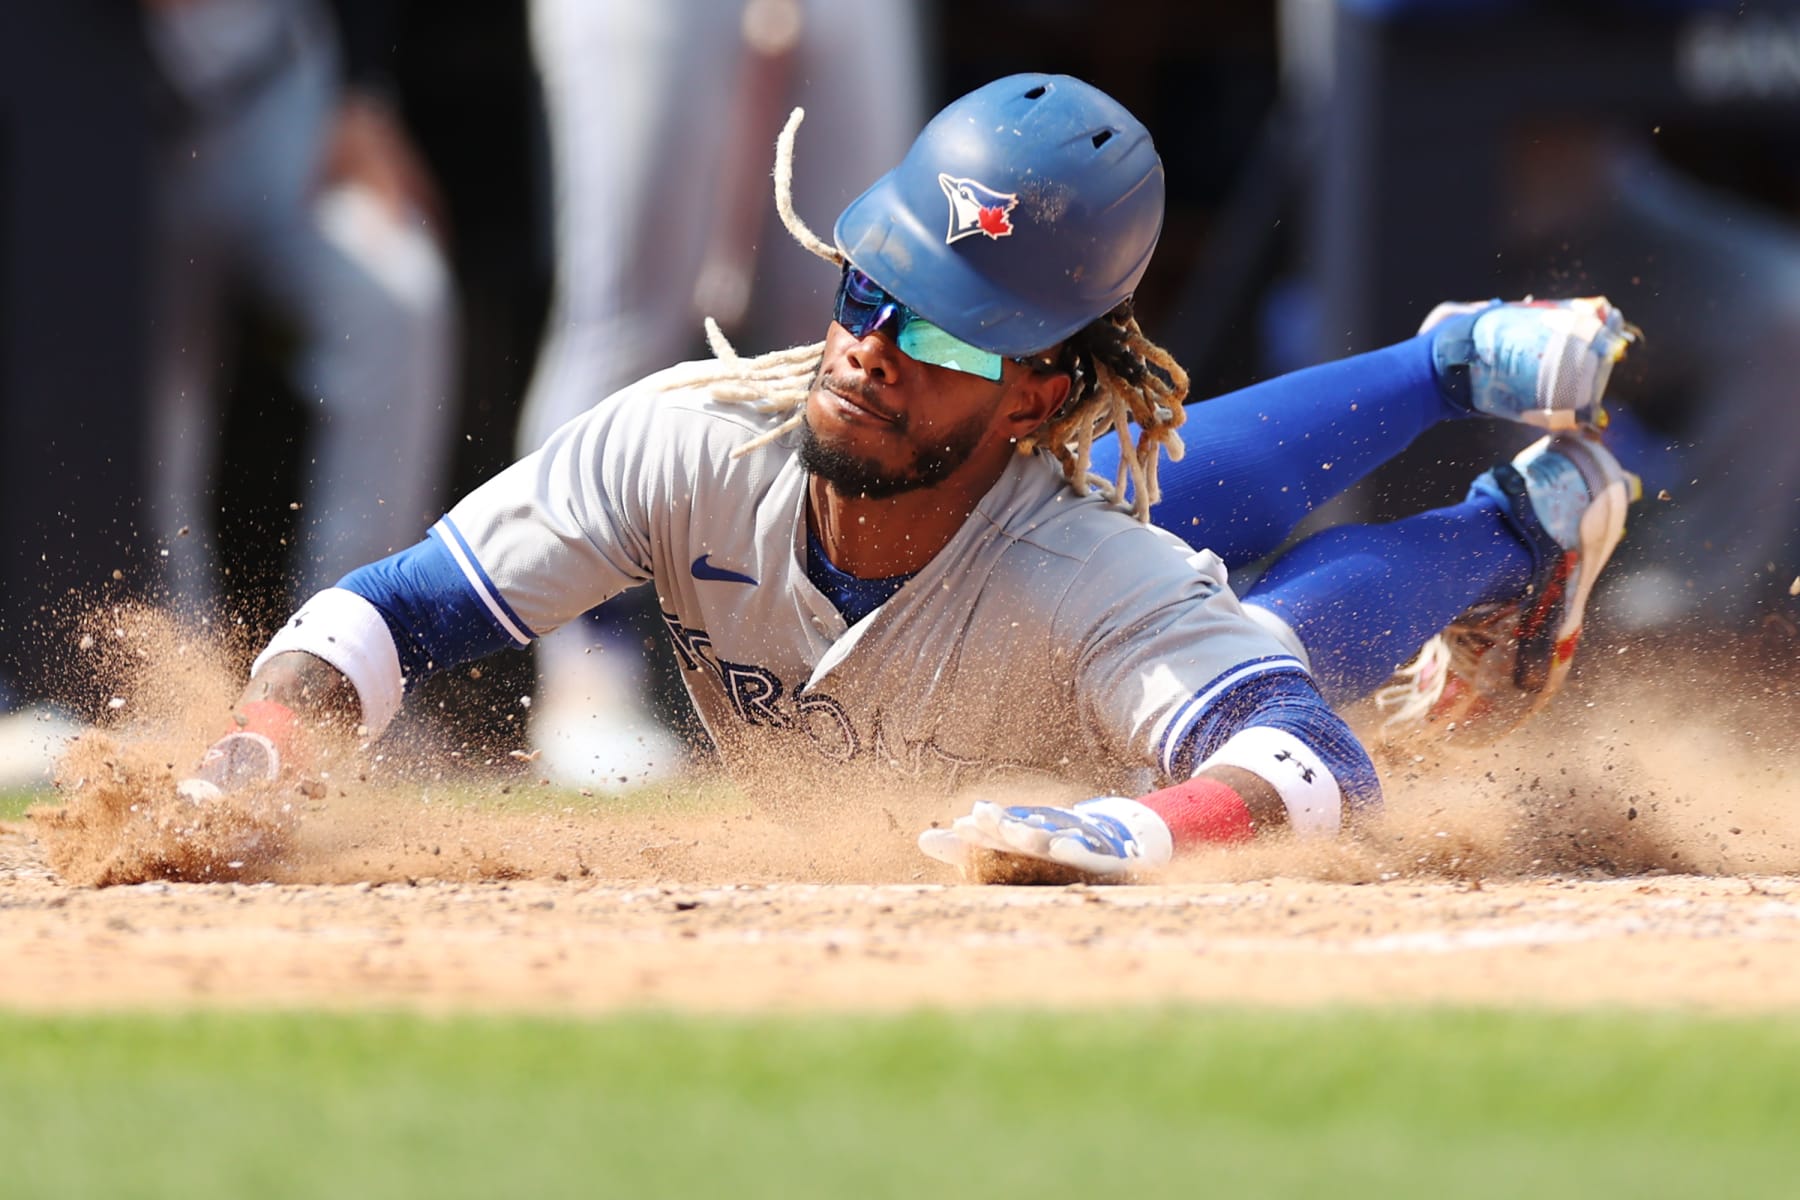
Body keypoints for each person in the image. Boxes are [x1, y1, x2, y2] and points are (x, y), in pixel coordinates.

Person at [180, 75, 1639, 884]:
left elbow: (1313, 760)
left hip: (1071, 637)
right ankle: (1456, 374)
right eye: (869, 287)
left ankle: (1515, 521)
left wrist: (1131, 827)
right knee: (1130, 503)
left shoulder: (1089, 569)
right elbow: (402, 607)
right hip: (1032, 527)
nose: (870, 343)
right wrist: (260, 751)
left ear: (1040, 381)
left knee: (1211, 602)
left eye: (947, 325)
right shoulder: (690, 438)